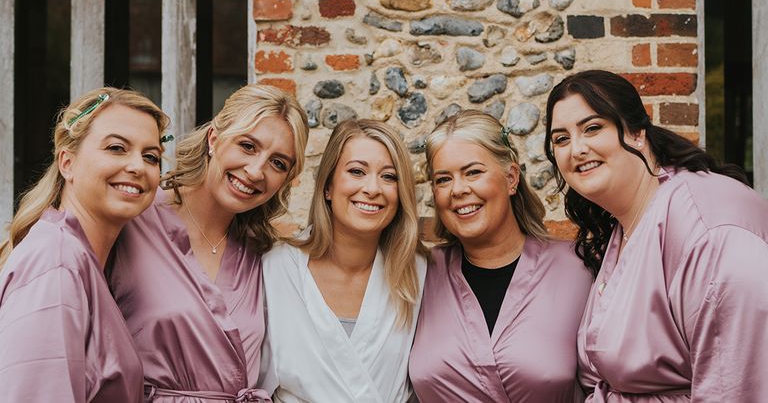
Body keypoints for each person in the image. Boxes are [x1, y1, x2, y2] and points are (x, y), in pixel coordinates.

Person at [545, 69, 768, 402]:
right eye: (561, 139)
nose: (576, 149)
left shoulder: (707, 227)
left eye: (592, 128)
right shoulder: (628, 222)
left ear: (637, 133)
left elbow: (736, 384)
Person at [109, 84, 308, 402]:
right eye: (247, 146)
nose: (256, 171)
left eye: (278, 163)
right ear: (214, 139)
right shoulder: (135, 219)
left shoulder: (263, 254)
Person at [409, 109, 592, 403]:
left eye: (473, 172)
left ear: (510, 178)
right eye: (443, 179)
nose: (458, 189)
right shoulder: (420, 273)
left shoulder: (578, 269)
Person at [0, 88, 170, 402]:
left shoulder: (86, 259)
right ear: (67, 162)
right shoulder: (55, 261)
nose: (137, 166)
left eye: (151, 156)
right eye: (117, 148)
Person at [261, 118, 428, 403]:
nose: (372, 188)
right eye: (356, 171)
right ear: (328, 186)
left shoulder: (418, 273)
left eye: (388, 177)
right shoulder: (276, 269)